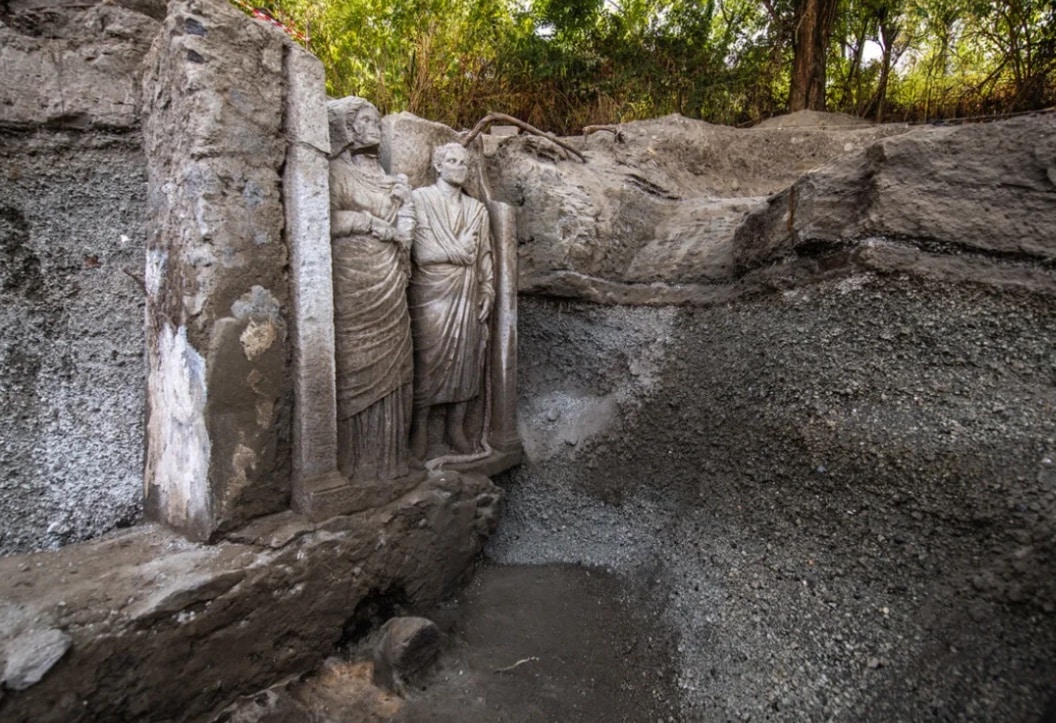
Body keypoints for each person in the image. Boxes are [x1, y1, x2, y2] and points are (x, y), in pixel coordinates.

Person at [328, 96, 416, 481]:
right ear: (348, 128)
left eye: (378, 121)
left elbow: (407, 232)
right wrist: (367, 222)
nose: (375, 128)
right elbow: (326, 219)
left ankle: (391, 459)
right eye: (366, 120)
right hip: (354, 277)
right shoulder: (335, 173)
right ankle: (356, 463)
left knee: (395, 364)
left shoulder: (391, 180)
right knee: (357, 363)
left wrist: (403, 206)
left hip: (391, 279)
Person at [409, 143, 494, 457]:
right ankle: (419, 428)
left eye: (464, 162)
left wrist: (488, 290)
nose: (459, 167)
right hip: (431, 293)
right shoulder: (420, 199)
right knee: (427, 359)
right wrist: (458, 252)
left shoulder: (477, 210)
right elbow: (422, 253)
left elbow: (483, 254)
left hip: (467, 293)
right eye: (452, 161)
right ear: (438, 165)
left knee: (467, 358)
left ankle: (455, 428)